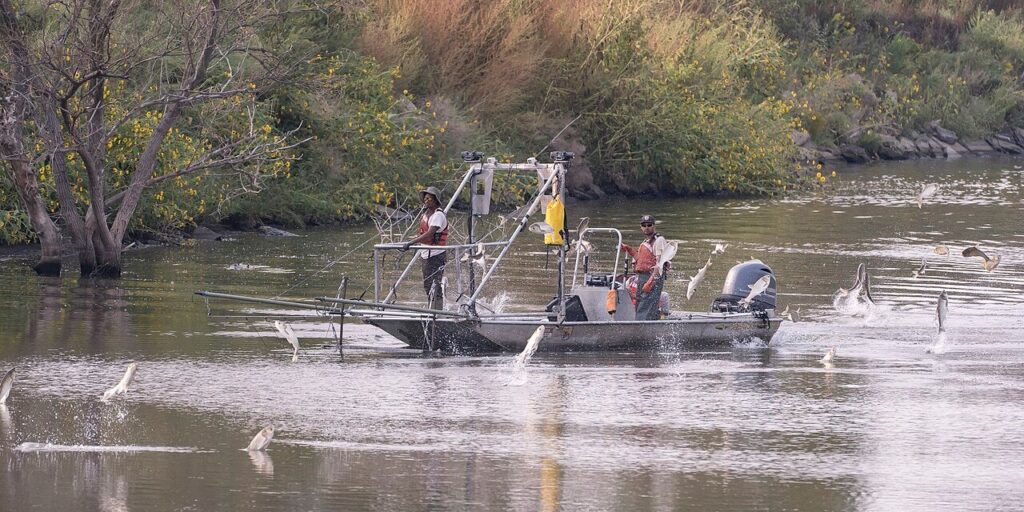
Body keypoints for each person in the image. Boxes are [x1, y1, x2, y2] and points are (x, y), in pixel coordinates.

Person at [401, 186, 448, 310]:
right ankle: (431, 309)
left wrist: (411, 243)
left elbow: (430, 234)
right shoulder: (426, 214)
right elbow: (422, 233)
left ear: (436, 200)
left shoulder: (438, 215)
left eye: (429, 199)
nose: (426, 201)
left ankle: (436, 312)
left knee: (434, 284)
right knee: (428, 284)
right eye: (425, 198)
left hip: (436, 254)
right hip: (426, 253)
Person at [620, 215, 668, 320]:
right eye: (644, 225)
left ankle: (642, 328)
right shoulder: (645, 242)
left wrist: (650, 282)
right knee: (641, 304)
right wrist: (628, 249)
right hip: (642, 277)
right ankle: (651, 323)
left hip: (652, 277)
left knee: (645, 305)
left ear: (654, 226)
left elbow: (659, 264)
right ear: (641, 227)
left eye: (649, 225)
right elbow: (640, 259)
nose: (647, 227)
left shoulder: (658, 240)